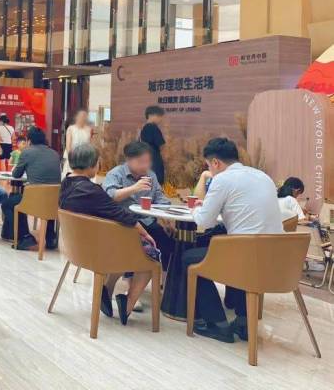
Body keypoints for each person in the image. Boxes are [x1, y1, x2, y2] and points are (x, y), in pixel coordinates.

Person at [183, 138, 283, 344]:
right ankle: (244, 322)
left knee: (190, 258)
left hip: (246, 255)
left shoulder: (222, 180)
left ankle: (218, 324)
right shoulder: (263, 176)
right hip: (276, 258)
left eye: (209, 166)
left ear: (216, 163)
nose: (210, 170)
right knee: (235, 246)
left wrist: (195, 209)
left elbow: (204, 221)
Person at [60, 144, 159, 324]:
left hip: (77, 248)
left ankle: (106, 288)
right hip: (98, 251)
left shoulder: (66, 184)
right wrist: (145, 234)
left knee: (126, 244)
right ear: (92, 165)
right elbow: (121, 214)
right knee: (151, 254)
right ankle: (128, 305)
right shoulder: (92, 191)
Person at [103, 141, 174, 270]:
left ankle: (164, 278)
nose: (145, 165)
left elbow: (160, 198)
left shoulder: (151, 175)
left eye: (148, 161)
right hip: (124, 224)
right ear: (128, 160)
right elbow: (110, 196)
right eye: (141, 162)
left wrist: (166, 216)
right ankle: (130, 273)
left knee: (168, 245)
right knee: (139, 250)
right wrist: (134, 188)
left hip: (147, 222)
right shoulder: (116, 174)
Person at [1, 127, 61, 250]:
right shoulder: (55, 153)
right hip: (55, 200)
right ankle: (50, 237)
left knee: (8, 203)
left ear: (29, 141)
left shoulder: (27, 152)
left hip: (35, 200)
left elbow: (16, 174)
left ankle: (24, 237)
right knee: (47, 194)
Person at [62, 109, 92, 179]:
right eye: (81, 116)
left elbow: (89, 144)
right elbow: (68, 145)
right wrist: (71, 157)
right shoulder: (71, 128)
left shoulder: (88, 129)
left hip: (84, 157)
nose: (83, 118)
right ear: (77, 117)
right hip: (73, 156)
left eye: (84, 116)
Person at [140, 105, 166, 185]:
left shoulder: (144, 128)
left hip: (146, 157)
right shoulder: (153, 128)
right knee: (157, 179)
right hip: (154, 157)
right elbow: (161, 143)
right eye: (159, 116)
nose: (160, 119)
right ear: (151, 115)